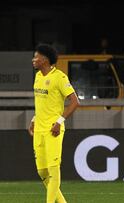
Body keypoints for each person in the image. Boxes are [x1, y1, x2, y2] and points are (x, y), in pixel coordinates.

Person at [28, 44, 80, 203]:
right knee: (42, 171)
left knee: (53, 170)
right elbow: (42, 103)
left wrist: (59, 121)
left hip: (53, 130)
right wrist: (34, 119)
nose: (33, 60)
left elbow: (74, 102)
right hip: (39, 130)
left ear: (44, 59)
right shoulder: (38, 76)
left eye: (36, 57)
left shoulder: (60, 77)